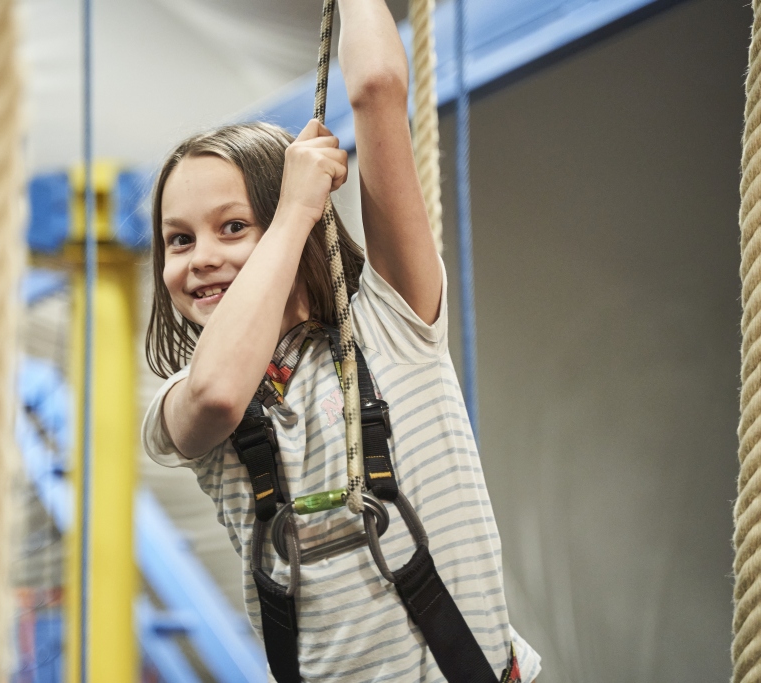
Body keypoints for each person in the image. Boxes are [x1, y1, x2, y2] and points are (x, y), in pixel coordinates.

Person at [141, 0, 542, 680]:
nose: (199, 256)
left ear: (296, 229)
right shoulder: (182, 401)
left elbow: (378, 91)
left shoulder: (394, 322)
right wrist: (294, 205)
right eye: (179, 239)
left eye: (231, 226)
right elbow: (216, 392)